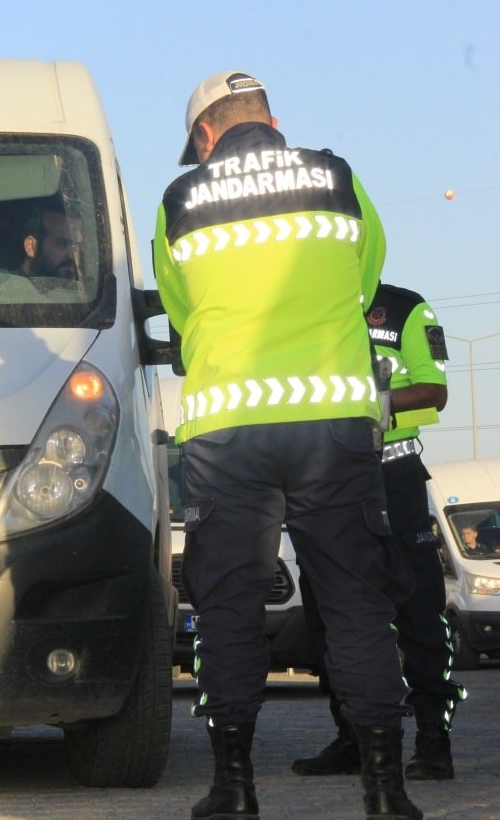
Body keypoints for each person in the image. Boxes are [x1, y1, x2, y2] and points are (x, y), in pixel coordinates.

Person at [154, 71, 421, 820]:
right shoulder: (336, 176)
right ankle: (387, 793)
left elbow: (180, 307)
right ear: (270, 119)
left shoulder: (181, 201)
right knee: (357, 604)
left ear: (205, 136)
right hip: (334, 430)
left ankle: (234, 789)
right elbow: (365, 281)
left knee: (230, 607)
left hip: (228, 434)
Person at [292, 282, 466, 783]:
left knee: (419, 610)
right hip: (326, 479)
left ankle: (434, 738)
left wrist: (366, 399)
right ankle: (353, 737)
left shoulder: (404, 307)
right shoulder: (304, 307)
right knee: (326, 613)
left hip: (394, 475)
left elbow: (435, 390)